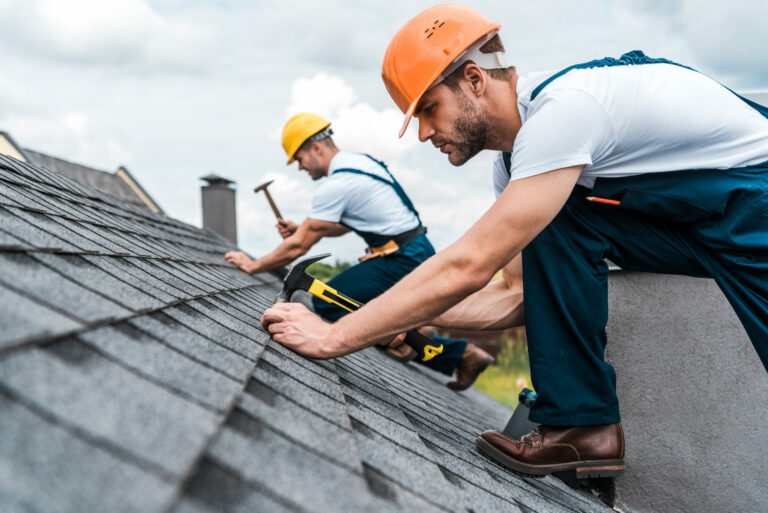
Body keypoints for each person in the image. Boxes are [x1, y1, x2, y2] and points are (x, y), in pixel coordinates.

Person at [260, 4, 768, 478]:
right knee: (561, 218)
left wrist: (336, 336)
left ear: (474, 80)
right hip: (700, 221)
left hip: (755, 202)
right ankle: (583, 425)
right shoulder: (521, 168)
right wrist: (401, 317)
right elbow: (516, 294)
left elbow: (468, 266)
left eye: (429, 109)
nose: (422, 134)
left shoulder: (563, 115)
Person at [225, 112, 494, 390]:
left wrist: (253, 265)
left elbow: (299, 246)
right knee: (359, 304)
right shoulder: (360, 164)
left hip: (400, 258)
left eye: (300, 159)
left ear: (316, 148)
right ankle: (440, 346)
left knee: (327, 302)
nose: (300, 168)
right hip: (412, 250)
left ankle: (414, 339)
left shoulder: (337, 183)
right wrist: (303, 228)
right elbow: (341, 226)